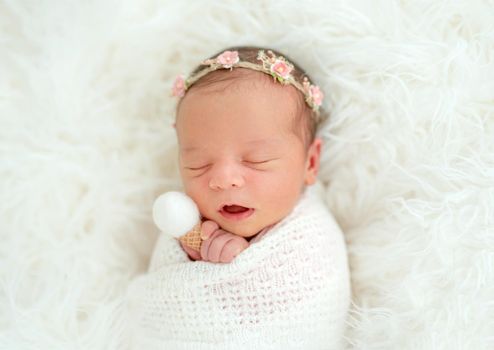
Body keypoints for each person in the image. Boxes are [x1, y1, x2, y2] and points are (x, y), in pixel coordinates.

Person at [126, 47, 350, 350]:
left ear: (309, 164)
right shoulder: (191, 224)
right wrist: (194, 253)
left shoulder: (311, 240)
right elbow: (168, 298)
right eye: (198, 164)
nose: (222, 179)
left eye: (256, 160)